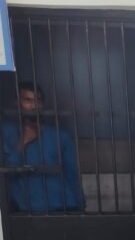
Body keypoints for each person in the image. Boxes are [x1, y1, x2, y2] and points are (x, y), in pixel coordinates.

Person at [1, 81, 83, 212]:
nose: (34, 105)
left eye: (38, 100)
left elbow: (72, 173)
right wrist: (23, 142)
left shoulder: (60, 135)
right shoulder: (6, 132)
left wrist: (80, 206)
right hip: (27, 211)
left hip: (63, 207)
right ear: (17, 103)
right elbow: (5, 173)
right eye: (28, 100)